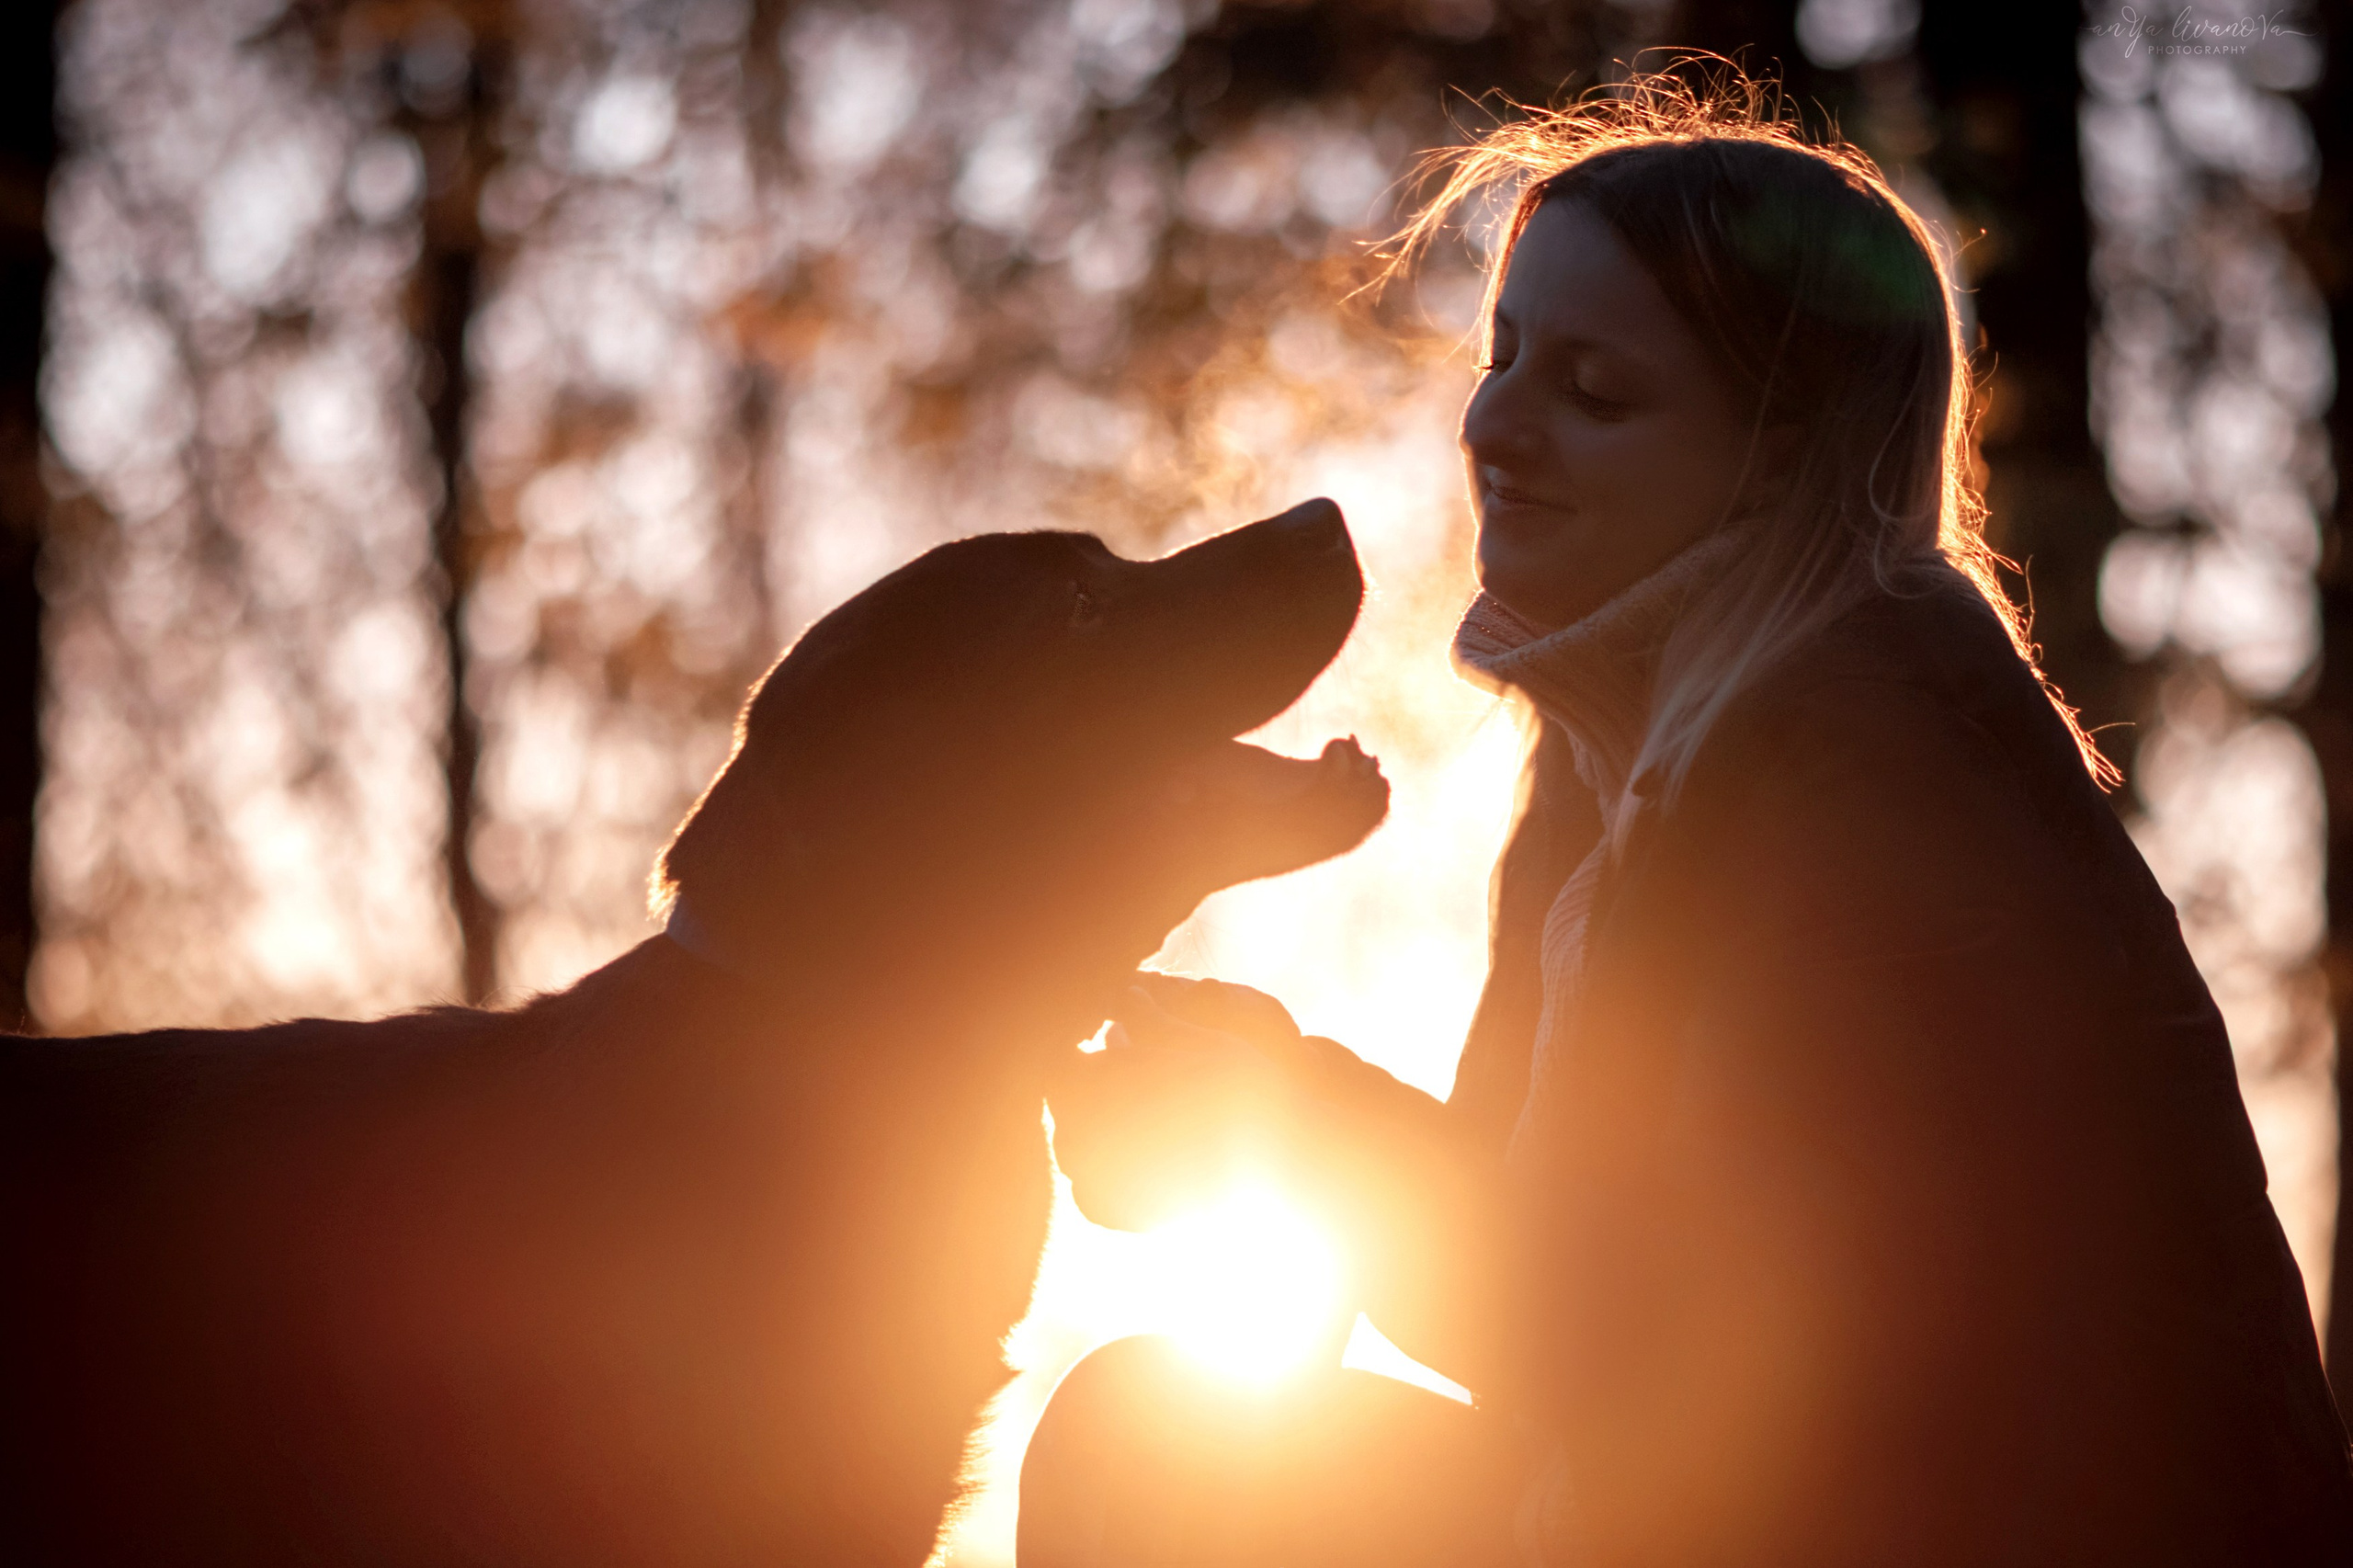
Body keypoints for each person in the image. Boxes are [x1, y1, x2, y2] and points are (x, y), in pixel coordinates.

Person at [1017, 74, 2353, 1568]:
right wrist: (1268, 1096)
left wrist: (1295, 1122)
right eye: (1504, 354)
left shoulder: (1868, 784)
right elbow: (1566, 1278)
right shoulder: (1614, 771)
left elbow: (1678, 1356)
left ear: (1779, 461)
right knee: (1169, 1446)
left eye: (1595, 391)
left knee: (1155, 1457)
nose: (1495, 427)